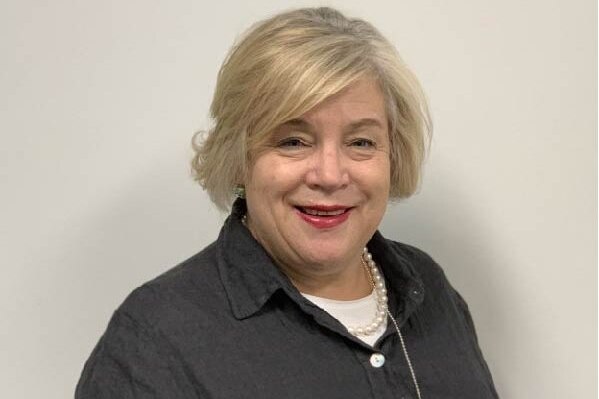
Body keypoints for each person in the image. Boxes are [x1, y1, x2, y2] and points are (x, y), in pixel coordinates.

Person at [76, 7, 498, 399]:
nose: (330, 175)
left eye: (361, 142)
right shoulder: (156, 337)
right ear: (239, 158)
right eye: (293, 141)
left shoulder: (429, 288)